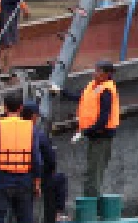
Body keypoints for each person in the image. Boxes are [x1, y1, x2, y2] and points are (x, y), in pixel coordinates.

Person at [51, 60, 120, 198]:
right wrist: (61, 92)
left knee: (94, 171)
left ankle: (91, 206)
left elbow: (104, 118)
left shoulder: (106, 90)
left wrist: (86, 131)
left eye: (98, 71)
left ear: (107, 74)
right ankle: (92, 202)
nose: (95, 73)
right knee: (93, 170)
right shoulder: (94, 86)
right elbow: (81, 97)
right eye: (95, 70)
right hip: (95, 134)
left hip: (101, 135)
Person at [0, 94, 42, 223]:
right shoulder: (31, 127)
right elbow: (36, 157)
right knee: (26, 222)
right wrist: (37, 181)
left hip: (1, 179)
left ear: (5, 108)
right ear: (21, 108)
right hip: (24, 180)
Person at [21, 100, 64, 223]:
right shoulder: (37, 134)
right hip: (35, 177)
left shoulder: (12, 130)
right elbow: (49, 159)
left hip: (14, 175)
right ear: (33, 116)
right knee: (57, 181)